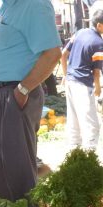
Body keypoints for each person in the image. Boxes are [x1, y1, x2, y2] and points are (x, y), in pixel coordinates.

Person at [0, 0, 62, 202]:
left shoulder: (33, 4)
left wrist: (21, 90)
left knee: (17, 175)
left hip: (15, 94)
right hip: (0, 94)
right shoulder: (3, 5)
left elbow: (52, 54)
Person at [61, 10, 103, 150]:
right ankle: (89, 159)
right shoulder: (98, 43)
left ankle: (74, 156)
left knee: (74, 123)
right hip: (83, 85)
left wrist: (66, 75)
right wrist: (97, 87)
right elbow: (96, 72)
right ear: (99, 25)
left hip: (70, 82)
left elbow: (63, 55)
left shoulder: (80, 32)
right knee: (92, 125)